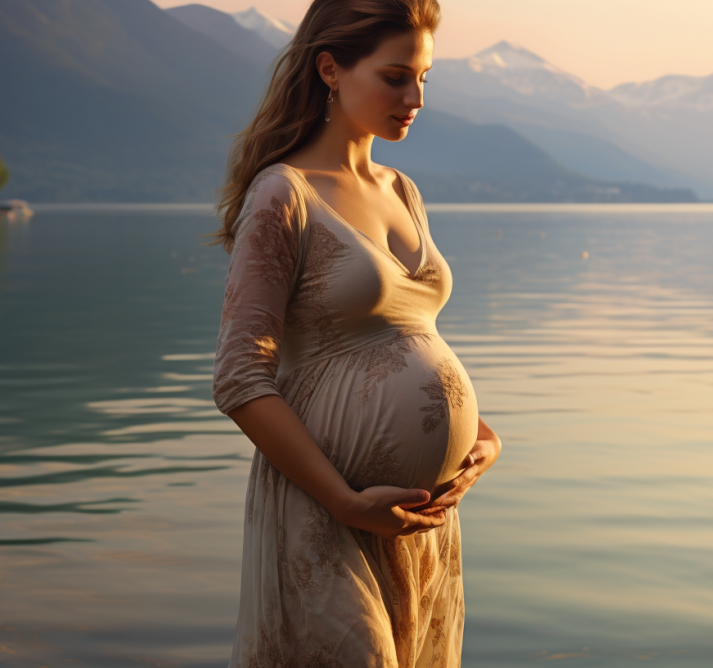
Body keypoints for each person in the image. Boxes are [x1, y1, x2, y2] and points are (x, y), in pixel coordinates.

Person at [204, 0, 502, 664]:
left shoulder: (402, 191)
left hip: (421, 521)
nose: (415, 99)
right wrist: (344, 501)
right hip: (326, 509)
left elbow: (406, 335)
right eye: (396, 77)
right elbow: (239, 377)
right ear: (331, 69)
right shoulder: (283, 193)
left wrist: (481, 438)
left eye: (423, 79)